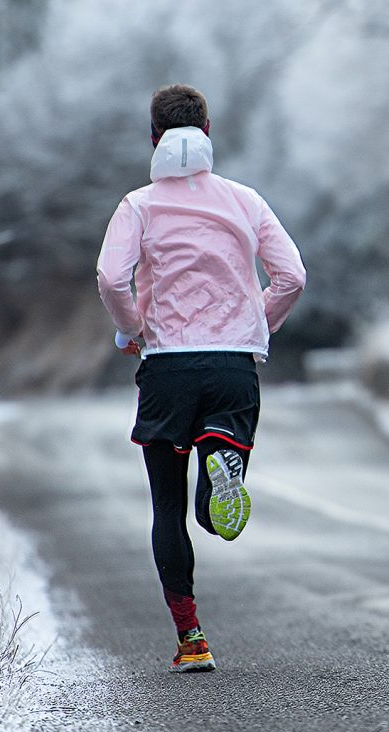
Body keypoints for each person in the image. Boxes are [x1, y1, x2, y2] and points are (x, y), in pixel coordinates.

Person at [96, 84, 306, 673]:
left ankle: (191, 638)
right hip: (231, 364)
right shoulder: (245, 201)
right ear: (208, 133)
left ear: (155, 139)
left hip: (166, 367)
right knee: (211, 503)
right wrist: (251, 325)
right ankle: (219, 469)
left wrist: (131, 329)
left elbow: (113, 280)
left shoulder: (137, 206)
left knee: (167, 506)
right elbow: (291, 276)